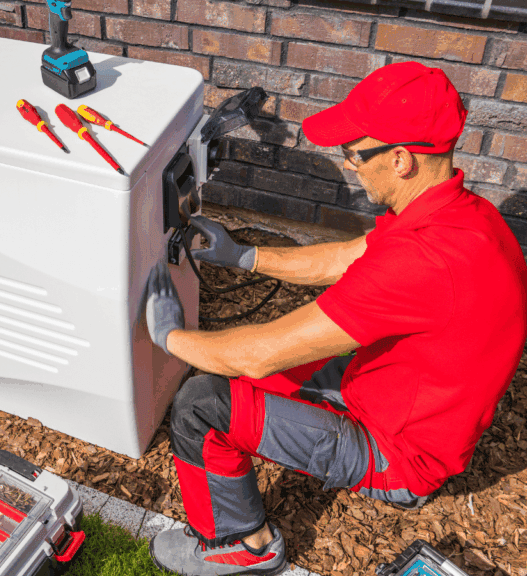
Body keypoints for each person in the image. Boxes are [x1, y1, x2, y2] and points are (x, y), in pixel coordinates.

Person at [144, 61, 527, 576]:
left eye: (353, 153)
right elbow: (346, 256)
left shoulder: (423, 262)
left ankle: (243, 546)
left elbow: (256, 356)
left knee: (199, 404)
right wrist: (245, 257)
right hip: (389, 393)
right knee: (226, 374)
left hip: (398, 455)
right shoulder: (461, 216)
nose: (348, 165)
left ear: (400, 160)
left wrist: (168, 336)